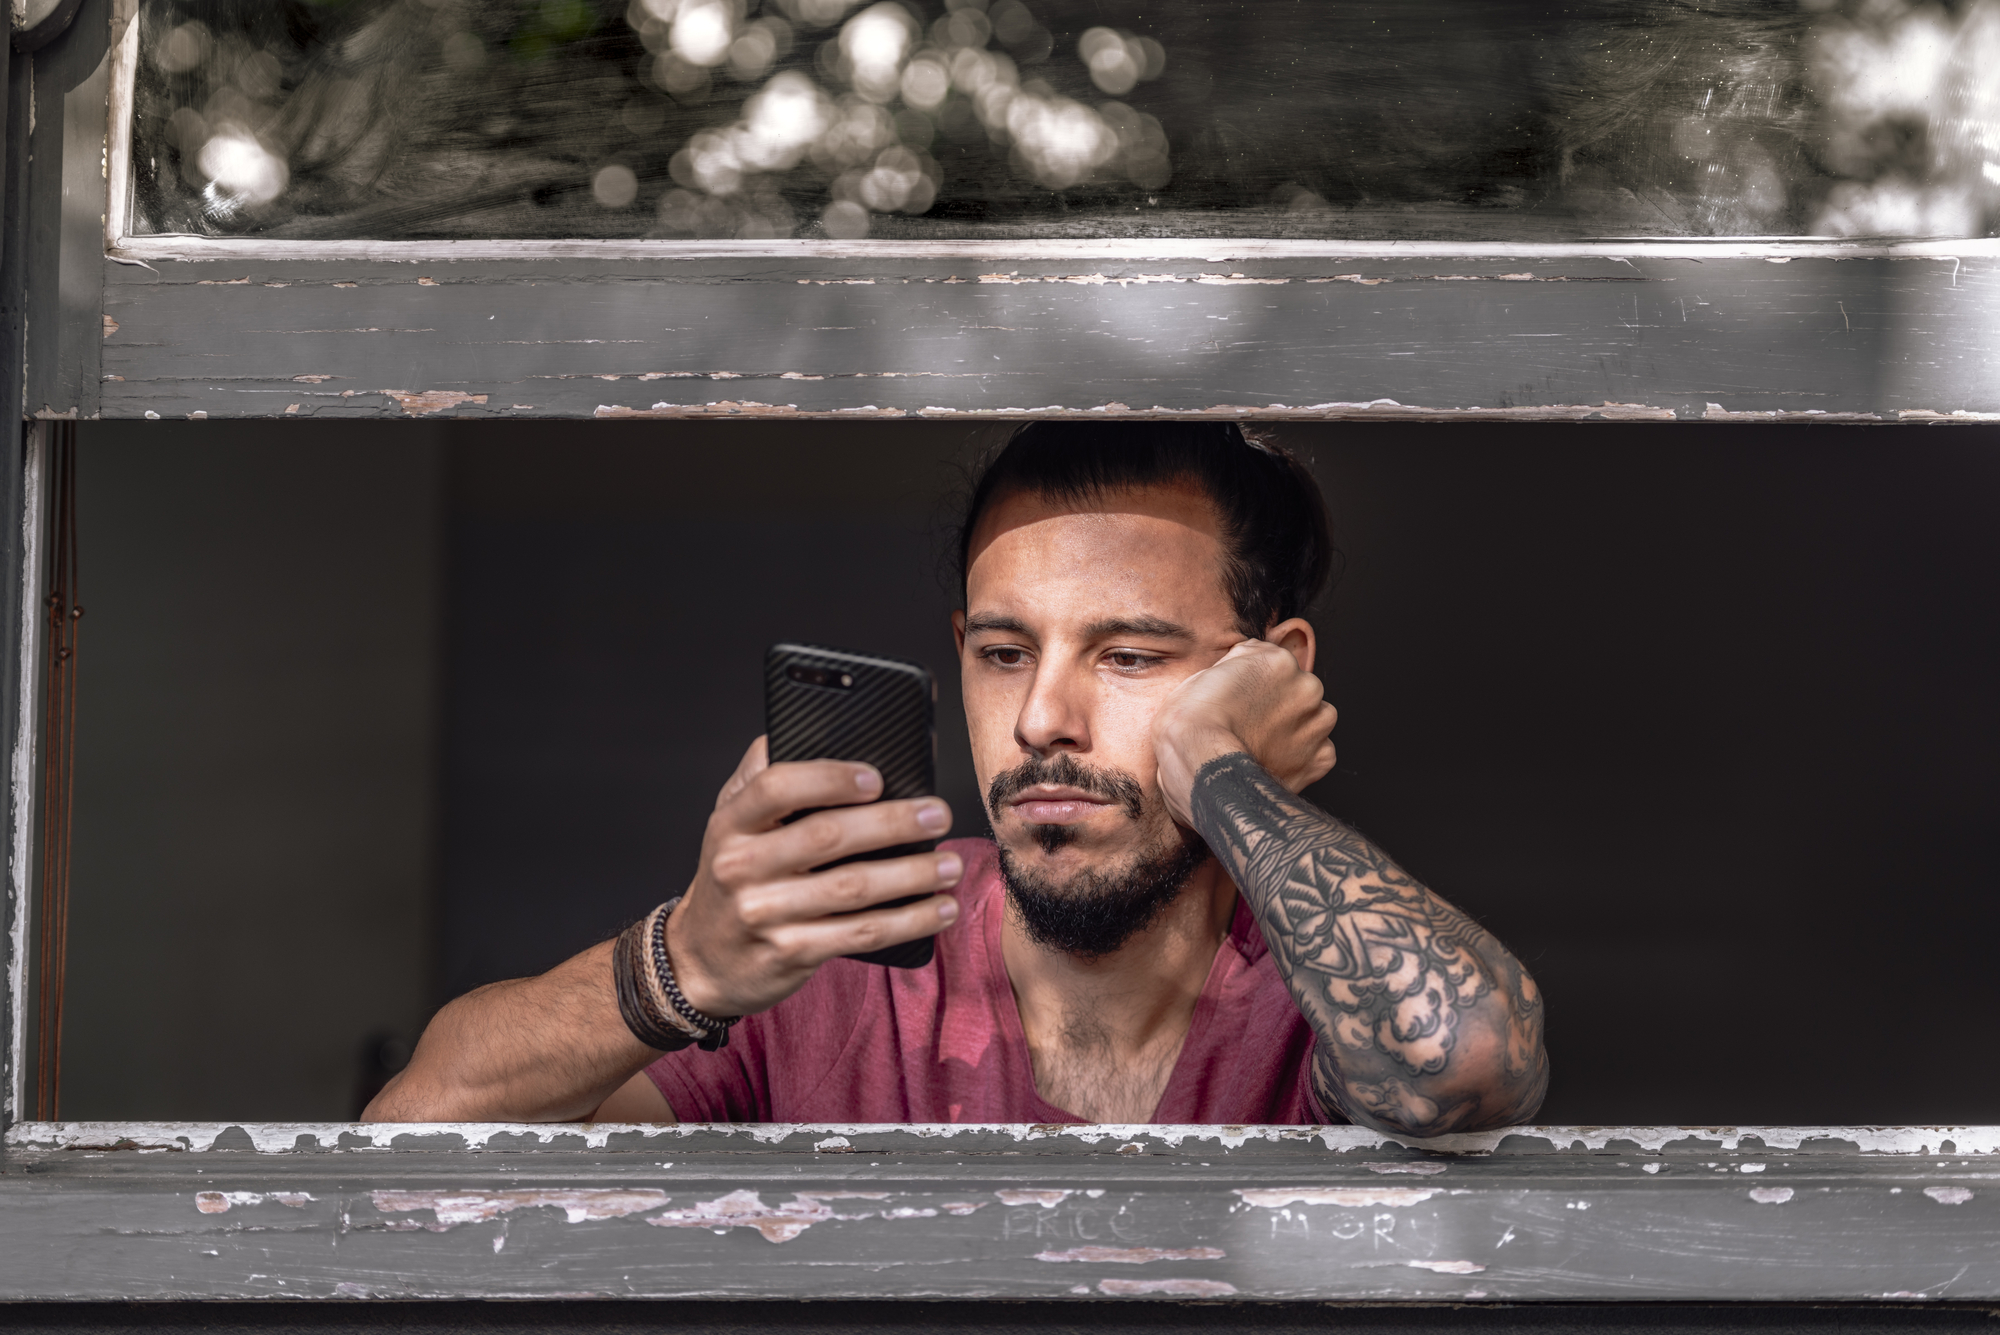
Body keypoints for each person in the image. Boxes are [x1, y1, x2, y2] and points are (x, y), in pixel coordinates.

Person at [365, 423, 1547, 1135]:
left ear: (1268, 675)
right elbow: (406, 1134)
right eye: (1001, 652)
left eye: (1127, 655)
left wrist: (1228, 776)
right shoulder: (840, 969)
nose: (1041, 718)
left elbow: (1468, 1060)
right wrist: (688, 963)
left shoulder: (1318, 980)